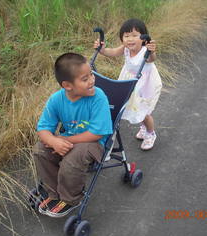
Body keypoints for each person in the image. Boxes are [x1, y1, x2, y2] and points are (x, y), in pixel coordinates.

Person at [33, 53, 113, 218]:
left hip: (92, 143)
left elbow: (97, 133)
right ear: (67, 85)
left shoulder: (98, 97)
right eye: (85, 79)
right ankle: (54, 193)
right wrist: (53, 141)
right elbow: (43, 128)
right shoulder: (56, 99)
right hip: (68, 139)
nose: (92, 80)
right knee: (40, 150)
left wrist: (64, 140)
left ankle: (70, 198)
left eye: (91, 74)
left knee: (72, 160)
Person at [94, 18, 162, 150]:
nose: (130, 39)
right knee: (133, 107)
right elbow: (113, 52)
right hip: (129, 79)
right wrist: (102, 50)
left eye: (135, 36)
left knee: (143, 111)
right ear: (122, 38)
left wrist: (152, 51)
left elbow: (151, 59)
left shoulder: (145, 51)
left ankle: (150, 133)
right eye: (126, 36)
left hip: (143, 83)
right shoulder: (125, 48)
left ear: (143, 38)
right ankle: (143, 127)